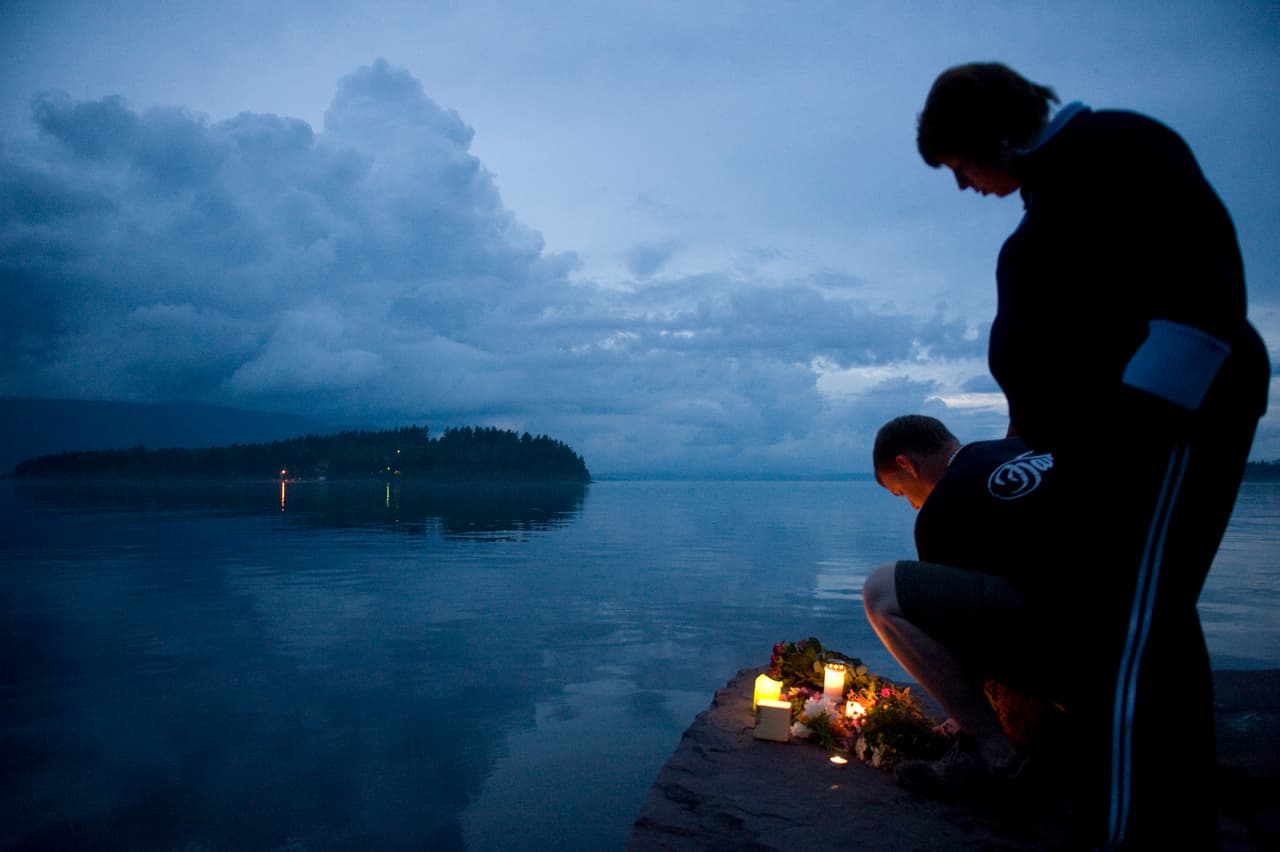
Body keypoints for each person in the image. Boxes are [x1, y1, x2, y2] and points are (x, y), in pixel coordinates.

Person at [913, 62, 1271, 851]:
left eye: (958, 165)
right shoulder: (1052, 196)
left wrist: (1121, 441)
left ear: (988, 135)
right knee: (1134, 625)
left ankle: (1137, 834)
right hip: (1099, 448)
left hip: (1159, 433)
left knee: (1135, 627)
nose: (964, 186)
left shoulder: (1115, 148)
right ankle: (1146, 822)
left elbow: (1203, 302)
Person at [863, 414, 1060, 791]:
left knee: (883, 592)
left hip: (1076, 648)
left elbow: (952, 633)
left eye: (901, 491)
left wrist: (964, 711)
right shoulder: (1026, 448)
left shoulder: (943, 508)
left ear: (906, 464)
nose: (912, 506)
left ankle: (994, 755)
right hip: (1136, 627)